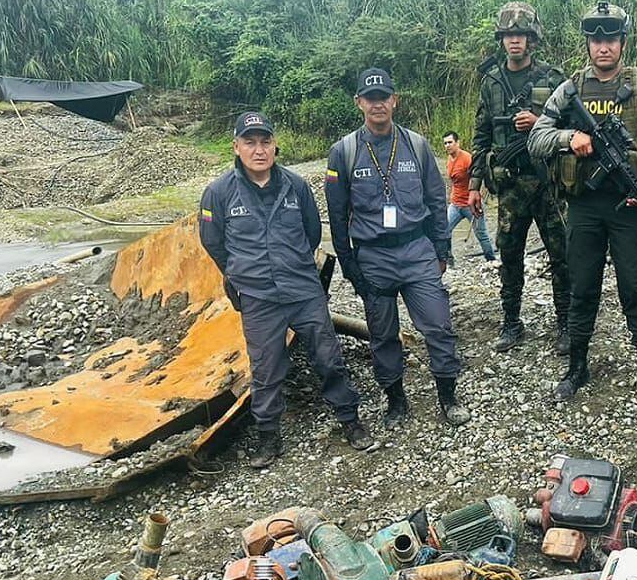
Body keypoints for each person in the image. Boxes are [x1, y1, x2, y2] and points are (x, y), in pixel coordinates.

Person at [528, 1, 637, 410]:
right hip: (584, 208)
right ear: (587, 43)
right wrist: (570, 140)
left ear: (622, 42)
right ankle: (577, 369)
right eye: (596, 39)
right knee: (582, 290)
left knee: (636, 290)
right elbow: (537, 138)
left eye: (610, 39)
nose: (603, 47)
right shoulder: (571, 89)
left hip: (629, 206)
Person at [199, 111, 375, 469]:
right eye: (250, 142)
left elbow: (312, 234)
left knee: (328, 356)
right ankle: (269, 437)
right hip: (259, 297)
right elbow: (214, 243)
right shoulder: (218, 193)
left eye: (265, 141)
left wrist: (293, 265)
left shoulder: (295, 186)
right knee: (266, 369)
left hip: (302, 289)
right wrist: (240, 274)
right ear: (236, 146)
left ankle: (350, 420)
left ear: (275, 145)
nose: (259, 149)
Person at [326, 68, 471, 429]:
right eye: (370, 98)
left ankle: (448, 395)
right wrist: (350, 266)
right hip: (373, 256)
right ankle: (395, 400)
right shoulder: (343, 152)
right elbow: (337, 215)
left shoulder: (417, 145)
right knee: (382, 334)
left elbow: (437, 202)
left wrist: (442, 250)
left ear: (394, 100)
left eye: (384, 97)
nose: (378, 104)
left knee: (438, 325)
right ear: (359, 103)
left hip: (416, 249)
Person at [469, 2, 571, 355]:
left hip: (547, 183)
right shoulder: (492, 82)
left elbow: (573, 128)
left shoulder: (552, 79)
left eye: (521, 35)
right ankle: (511, 322)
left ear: (532, 39)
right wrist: (473, 186)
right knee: (509, 255)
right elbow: (480, 138)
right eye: (509, 35)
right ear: (502, 39)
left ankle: (566, 324)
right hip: (510, 187)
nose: (515, 41)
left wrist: (539, 121)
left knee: (561, 254)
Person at [442, 131, 497, 263]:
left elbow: (480, 175)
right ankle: (448, 257)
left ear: (457, 143)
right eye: (445, 143)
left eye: (450, 142)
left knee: (481, 234)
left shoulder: (467, 159)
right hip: (455, 204)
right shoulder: (449, 159)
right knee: (444, 230)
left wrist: (481, 195)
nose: (447, 146)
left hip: (470, 204)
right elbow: (453, 182)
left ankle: (491, 260)